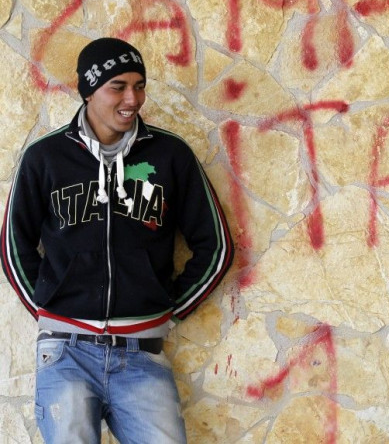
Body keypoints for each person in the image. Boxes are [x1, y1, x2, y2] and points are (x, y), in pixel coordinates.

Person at [1, 37, 233, 443]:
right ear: (89, 91)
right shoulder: (46, 158)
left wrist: (168, 308)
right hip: (65, 353)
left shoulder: (171, 156)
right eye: (118, 86)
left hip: (141, 357)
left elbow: (216, 246)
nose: (133, 98)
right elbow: (12, 245)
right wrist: (47, 304)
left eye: (140, 85)